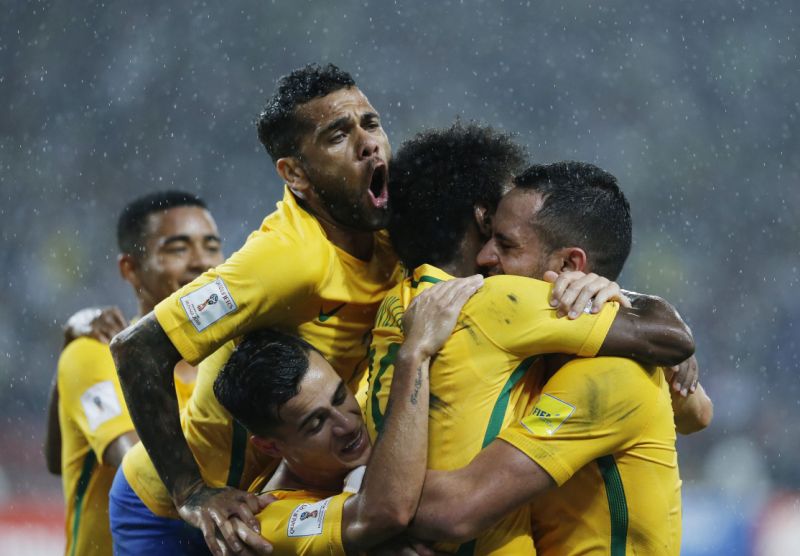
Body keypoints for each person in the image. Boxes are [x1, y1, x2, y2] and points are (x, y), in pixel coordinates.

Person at [109, 63, 401, 555]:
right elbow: (135, 349)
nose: (368, 144)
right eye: (336, 136)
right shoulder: (285, 261)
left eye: (370, 124)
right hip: (166, 507)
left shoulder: (394, 229)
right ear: (294, 174)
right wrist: (191, 492)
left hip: (273, 492)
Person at [366, 126, 698, 554]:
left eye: (504, 243)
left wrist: (370, 520)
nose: (487, 258)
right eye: (489, 238)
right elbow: (693, 405)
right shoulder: (524, 341)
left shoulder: (611, 372)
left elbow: (450, 513)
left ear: (569, 266)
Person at [214, 276, 482, 555]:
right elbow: (381, 514)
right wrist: (415, 353)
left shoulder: (372, 394)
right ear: (270, 446)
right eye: (316, 423)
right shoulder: (269, 526)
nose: (347, 424)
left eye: (340, 396)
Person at [54, 191, 224, 555]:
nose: (202, 263)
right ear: (130, 269)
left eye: (211, 246)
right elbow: (142, 467)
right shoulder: (94, 353)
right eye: (178, 249)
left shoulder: (228, 362)